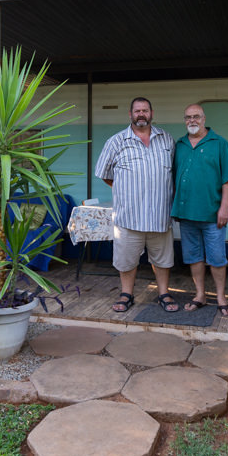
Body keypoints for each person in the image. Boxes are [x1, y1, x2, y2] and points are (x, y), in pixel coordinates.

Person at [94, 97, 178, 313]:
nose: (142, 114)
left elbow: (173, 173)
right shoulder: (116, 141)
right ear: (130, 115)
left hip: (160, 215)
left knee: (162, 260)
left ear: (152, 113)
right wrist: (125, 189)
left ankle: (164, 293)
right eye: (137, 111)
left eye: (145, 110)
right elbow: (104, 173)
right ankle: (126, 294)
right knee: (126, 260)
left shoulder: (167, 139)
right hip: (129, 216)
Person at [172, 103, 228, 316]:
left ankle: (221, 298)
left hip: (213, 214)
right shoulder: (180, 145)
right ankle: (200, 294)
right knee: (193, 257)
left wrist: (225, 208)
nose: (192, 121)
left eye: (196, 117)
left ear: (204, 118)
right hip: (186, 214)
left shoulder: (220, 144)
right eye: (188, 117)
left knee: (217, 258)